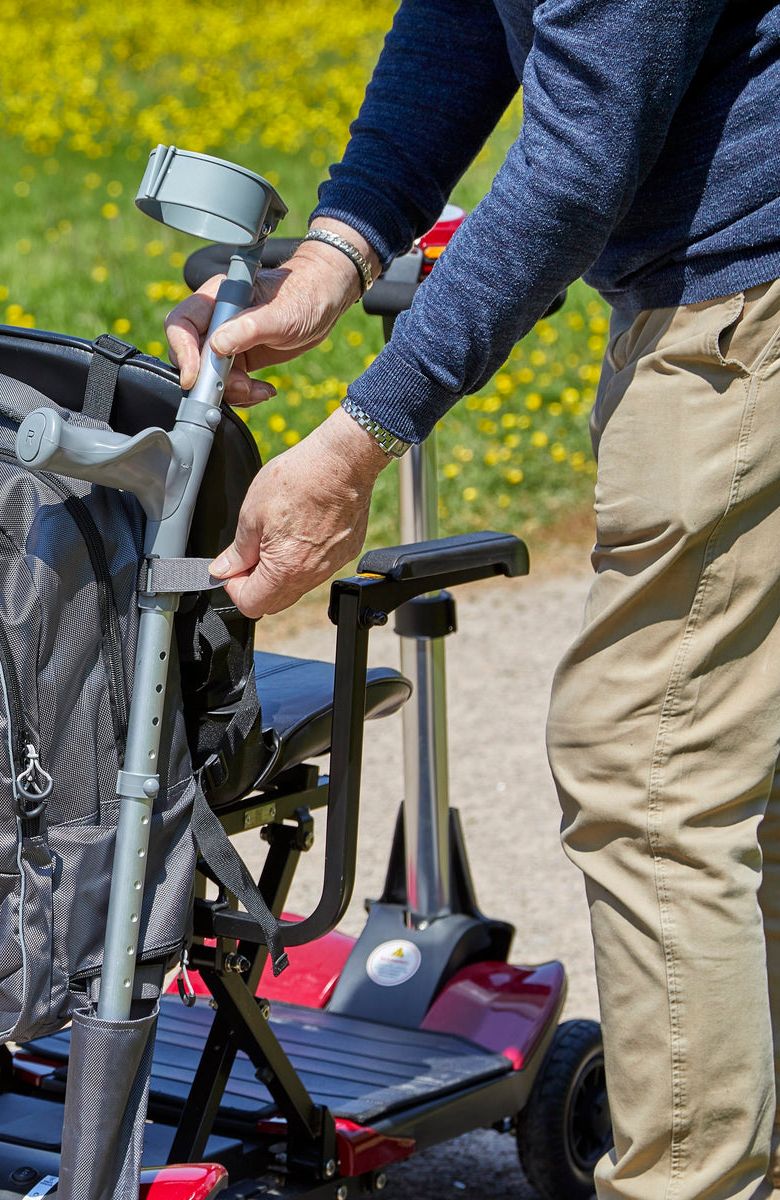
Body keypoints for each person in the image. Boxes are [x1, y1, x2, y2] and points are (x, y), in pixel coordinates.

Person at [165, 2, 780, 1197]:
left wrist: (361, 437)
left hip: (746, 302)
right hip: (723, 292)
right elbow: (458, 20)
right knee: (739, 752)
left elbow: (580, 155)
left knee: (652, 760)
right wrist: (335, 255)